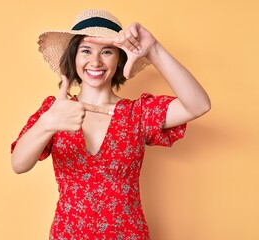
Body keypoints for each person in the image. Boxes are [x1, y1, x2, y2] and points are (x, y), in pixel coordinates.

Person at [11, 9, 210, 240]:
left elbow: (199, 105)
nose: (95, 61)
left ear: (119, 60)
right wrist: (47, 124)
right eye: (86, 50)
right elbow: (18, 164)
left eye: (107, 51)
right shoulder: (56, 110)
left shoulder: (138, 114)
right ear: (74, 57)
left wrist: (154, 48)